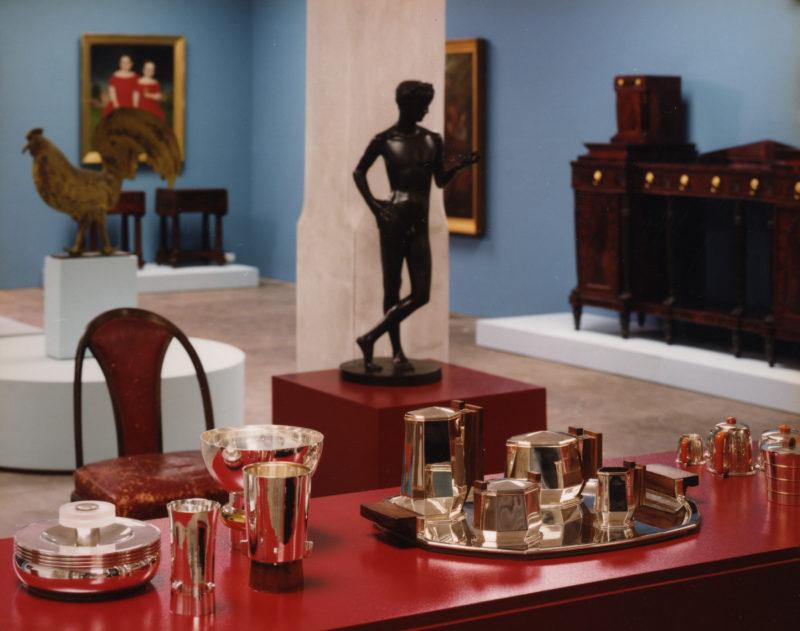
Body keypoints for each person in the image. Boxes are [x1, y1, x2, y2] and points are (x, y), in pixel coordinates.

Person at [353, 80, 479, 372]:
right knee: (392, 287)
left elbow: (438, 181)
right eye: (423, 104)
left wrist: (458, 167)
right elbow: (359, 173)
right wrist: (375, 207)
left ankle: (370, 337)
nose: (426, 110)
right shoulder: (384, 140)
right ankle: (396, 352)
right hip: (393, 220)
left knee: (422, 293)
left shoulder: (433, 140)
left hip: (419, 222)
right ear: (406, 105)